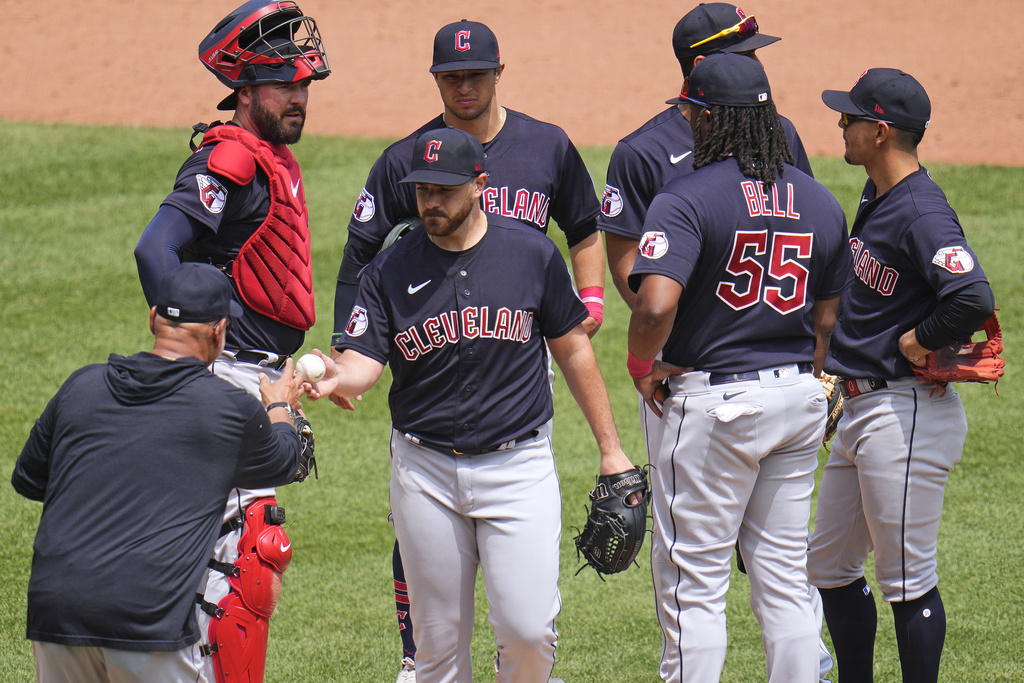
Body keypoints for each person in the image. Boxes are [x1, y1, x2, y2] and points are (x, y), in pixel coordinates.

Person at [331, 20, 606, 681]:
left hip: (518, 340)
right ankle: (423, 653)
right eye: (450, 76)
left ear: (497, 72)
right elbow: (361, 257)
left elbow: (585, 226)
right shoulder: (407, 159)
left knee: (528, 626)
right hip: (428, 363)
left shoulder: (546, 147)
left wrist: (588, 302)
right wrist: (348, 350)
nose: (462, 85)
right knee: (435, 620)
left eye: (473, 74)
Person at [627, 53, 851, 682]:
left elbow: (656, 302)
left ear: (705, 117)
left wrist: (641, 363)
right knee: (783, 580)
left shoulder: (686, 196)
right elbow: (828, 323)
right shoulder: (818, 199)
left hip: (712, 407)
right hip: (798, 400)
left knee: (692, 586)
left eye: (692, 112)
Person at [132, 2, 330, 680]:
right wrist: (189, 361)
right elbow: (156, 250)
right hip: (224, 381)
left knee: (233, 562)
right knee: (238, 564)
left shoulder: (271, 157)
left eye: (303, 84)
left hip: (258, 378)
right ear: (244, 91)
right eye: (283, 85)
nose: (298, 97)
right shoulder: (230, 160)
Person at [11, 262, 306, 683]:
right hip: (147, 619)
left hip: (58, 611)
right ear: (220, 331)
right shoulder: (228, 408)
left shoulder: (81, 386)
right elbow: (283, 460)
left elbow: (29, 480)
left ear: (153, 318)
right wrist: (280, 405)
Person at [807, 69, 995, 683]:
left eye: (851, 117)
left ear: (880, 131)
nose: (841, 123)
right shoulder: (877, 194)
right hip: (865, 408)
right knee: (830, 566)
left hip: (905, 414)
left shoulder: (921, 211)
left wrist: (916, 339)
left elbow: (970, 296)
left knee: (908, 582)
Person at [600, 2, 813, 311]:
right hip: (687, 347)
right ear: (700, 66)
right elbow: (626, 259)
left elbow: (807, 228)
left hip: (770, 327)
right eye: (746, 56)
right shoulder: (642, 153)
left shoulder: (778, 133)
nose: (759, 65)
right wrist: (666, 337)